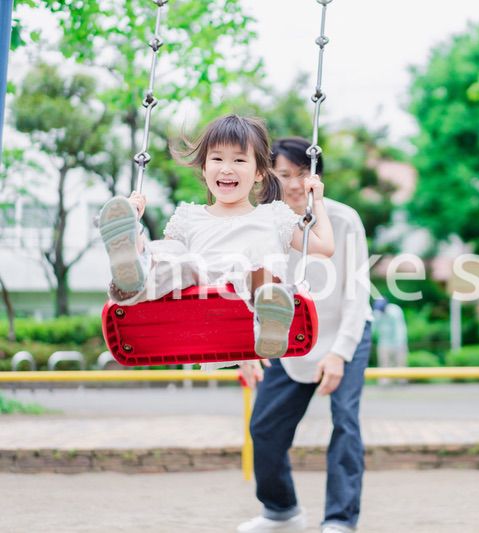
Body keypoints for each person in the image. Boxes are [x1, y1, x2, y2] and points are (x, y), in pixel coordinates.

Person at [97, 115, 334, 359]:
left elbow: (324, 247)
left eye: (239, 160)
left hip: (248, 294)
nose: (226, 168)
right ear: (204, 167)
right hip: (198, 290)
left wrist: (316, 201)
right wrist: (134, 222)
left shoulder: (275, 215)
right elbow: (166, 259)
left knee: (257, 270)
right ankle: (132, 275)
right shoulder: (187, 216)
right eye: (217, 158)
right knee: (173, 258)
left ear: (260, 172)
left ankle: (270, 316)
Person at [237, 137, 372, 533]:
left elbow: (357, 293)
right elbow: (250, 295)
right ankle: (282, 511)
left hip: (345, 333)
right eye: (284, 174)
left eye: (302, 174)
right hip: (289, 338)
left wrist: (340, 354)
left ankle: (339, 521)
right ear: (269, 177)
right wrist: (248, 346)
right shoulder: (260, 225)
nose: (294, 184)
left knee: (345, 423)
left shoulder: (343, 220)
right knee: (264, 428)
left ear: (317, 178)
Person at [372, 298, 408, 385]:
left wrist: (399, 344)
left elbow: (400, 329)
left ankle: (402, 382)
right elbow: (373, 328)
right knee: (384, 363)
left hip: (398, 342)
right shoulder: (376, 313)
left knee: (400, 363)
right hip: (384, 342)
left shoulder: (395, 311)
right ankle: (384, 383)